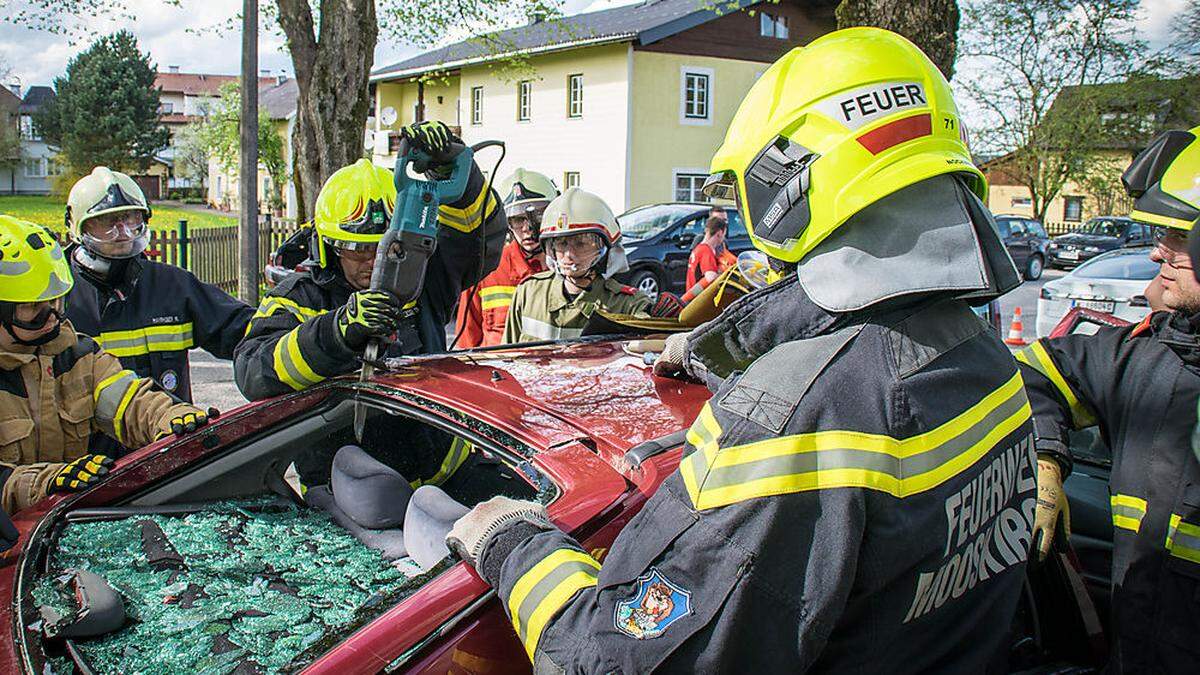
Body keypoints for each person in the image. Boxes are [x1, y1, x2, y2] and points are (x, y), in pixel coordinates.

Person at [446, 28, 1031, 673]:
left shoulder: (792, 419)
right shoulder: (986, 360)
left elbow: (618, 658)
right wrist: (725, 350)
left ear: (790, 180)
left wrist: (512, 547)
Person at [1018, 126, 1200, 673]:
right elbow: (1033, 372)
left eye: (1180, 239)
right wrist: (1047, 458)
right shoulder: (1147, 355)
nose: (1156, 253)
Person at [235, 121, 506, 399]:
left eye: (384, 248)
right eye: (357, 249)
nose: (373, 260)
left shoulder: (422, 278)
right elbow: (253, 373)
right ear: (329, 246)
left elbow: (478, 241)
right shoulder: (300, 298)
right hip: (341, 441)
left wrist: (453, 171)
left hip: (428, 435)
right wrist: (337, 331)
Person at [0, 215, 209, 514]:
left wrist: (173, 417)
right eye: (32, 307)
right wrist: (45, 484)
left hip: (63, 530)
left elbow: (128, 400)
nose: (51, 318)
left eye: (57, 303)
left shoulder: (76, 355)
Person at [62, 167, 254, 403]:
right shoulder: (60, 295)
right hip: (91, 440)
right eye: (107, 221)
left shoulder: (172, 286)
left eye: (131, 218)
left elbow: (244, 329)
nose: (123, 232)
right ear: (78, 227)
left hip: (171, 436)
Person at [502, 188, 652, 343]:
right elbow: (506, 357)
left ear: (606, 247)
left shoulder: (628, 305)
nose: (568, 254)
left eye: (581, 244)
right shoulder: (529, 293)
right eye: (561, 243)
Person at [454, 168, 556, 348]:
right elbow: (466, 343)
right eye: (518, 219)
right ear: (507, 223)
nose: (527, 228)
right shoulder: (485, 268)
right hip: (497, 373)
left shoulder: (568, 269)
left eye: (535, 217)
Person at [682, 215, 737, 303]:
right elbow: (710, 277)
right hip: (696, 301)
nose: (723, 238)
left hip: (691, 298)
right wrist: (724, 274)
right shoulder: (706, 251)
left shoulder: (699, 248)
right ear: (719, 233)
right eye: (724, 234)